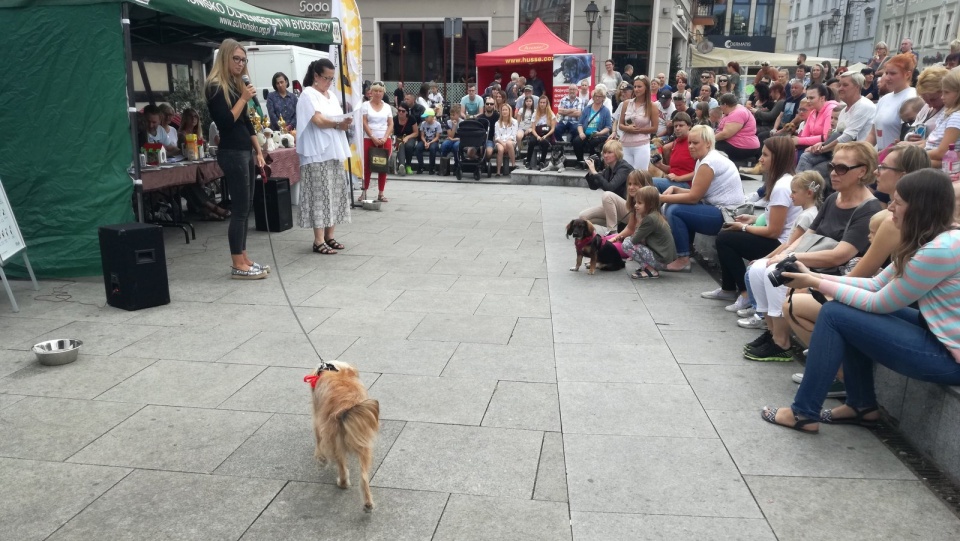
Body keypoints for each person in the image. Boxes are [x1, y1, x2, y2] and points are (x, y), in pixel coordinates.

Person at [761, 169, 960, 434]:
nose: (890, 208)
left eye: (898, 203)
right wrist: (811, 276)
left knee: (834, 313)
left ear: (920, 208)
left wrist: (815, 283)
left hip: (948, 357)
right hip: (939, 335)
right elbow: (877, 284)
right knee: (843, 309)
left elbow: (879, 303)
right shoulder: (936, 239)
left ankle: (803, 413)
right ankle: (861, 406)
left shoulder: (939, 251)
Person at [785, 145, 931, 387]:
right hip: (905, 307)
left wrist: (815, 283)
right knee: (805, 294)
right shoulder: (903, 215)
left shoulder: (890, 220)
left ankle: (842, 379)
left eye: (885, 167)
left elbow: (868, 281)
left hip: (902, 311)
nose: (878, 172)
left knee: (800, 305)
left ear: (904, 176)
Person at [743, 142, 884, 361]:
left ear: (862, 171)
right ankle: (774, 333)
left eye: (842, 168)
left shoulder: (869, 208)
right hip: (815, 259)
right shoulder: (832, 199)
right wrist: (778, 255)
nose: (834, 173)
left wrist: (791, 256)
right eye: (832, 166)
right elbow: (808, 234)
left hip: (834, 271)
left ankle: (783, 342)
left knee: (778, 274)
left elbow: (841, 255)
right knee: (759, 268)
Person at [204, 39, 268, 279]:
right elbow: (225, 122)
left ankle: (243, 256)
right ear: (225, 58)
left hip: (245, 151)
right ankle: (236, 263)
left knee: (246, 205)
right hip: (231, 152)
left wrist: (259, 151)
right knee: (240, 209)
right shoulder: (215, 86)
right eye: (237, 59)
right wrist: (243, 97)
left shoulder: (235, 85)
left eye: (244, 60)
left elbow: (247, 122)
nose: (241, 64)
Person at [713, 137, 800, 310]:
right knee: (727, 236)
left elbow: (774, 231)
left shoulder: (782, 187)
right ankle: (728, 288)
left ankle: (745, 294)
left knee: (725, 239)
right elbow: (777, 218)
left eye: (765, 155)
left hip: (780, 245)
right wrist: (752, 220)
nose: (760, 159)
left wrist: (744, 227)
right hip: (780, 240)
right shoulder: (783, 181)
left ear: (778, 158)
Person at [735, 171, 826, 329]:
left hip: (792, 258)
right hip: (788, 253)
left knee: (756, 272)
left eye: (794, 192)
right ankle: (762, 312)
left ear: (809, 193)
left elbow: (791, 244)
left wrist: (767, 258)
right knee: (755, 269)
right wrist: (766, 257)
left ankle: (761, 314)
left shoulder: (807, 216)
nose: (791, 196)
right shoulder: (808, 213)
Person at [660, 125, 745, 272]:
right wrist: (674, 189)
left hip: (728, 215)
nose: (691, 146)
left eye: (695, 143)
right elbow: (695, 192)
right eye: (689, 143)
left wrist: (659, 197)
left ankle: (683, 258)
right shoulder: (704, 159)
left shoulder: (708, 162)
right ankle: (683, 251)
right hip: (719, 210)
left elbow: (693, 197)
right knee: (672, 206)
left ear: (708, 143)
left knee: (674, 210)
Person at [295, 57, 353, 257]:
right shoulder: (308, 94)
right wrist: (338, 124)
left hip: (333, 150)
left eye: (331, 78)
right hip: (316, 152)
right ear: (316, 76)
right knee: (319, 195)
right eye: (326, 78)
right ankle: (318, 239)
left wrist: (345, 122)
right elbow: (318, 120)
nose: (329, 82)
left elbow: (335, 118)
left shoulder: (331, 95)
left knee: (335, 192)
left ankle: (330, 235)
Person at [797, 72, 877, 179]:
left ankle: (805, 189)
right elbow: (834, 134)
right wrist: (821, 144)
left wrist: (823, 148)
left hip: (857, 156)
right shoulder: (844, 110)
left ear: (857, 87)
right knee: (806, 157)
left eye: (845, 85)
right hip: (840, 152)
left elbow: (847, 136)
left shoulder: (864, 106)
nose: (840, 89)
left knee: (815, 170)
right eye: (839, 85)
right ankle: (801, 189)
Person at [177, 108, 230, 221]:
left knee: (193, 183)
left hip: (197, 164)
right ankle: (212, 208)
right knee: (190, 183)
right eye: (191, 116)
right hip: (184, 166)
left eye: (196, 117)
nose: (194, 119)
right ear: (185, 118)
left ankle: (208, 211)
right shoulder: (182, 134)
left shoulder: (197, 134)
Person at [579, 139, 635, 232]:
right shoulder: (608, 169)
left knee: (607, 195)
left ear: (617, 153)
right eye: (604, 152)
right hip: (616, 209)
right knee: (583, 217)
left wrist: (595, 172)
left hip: (630, 210)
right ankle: (618, 226)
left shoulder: (625, 168)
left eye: (609, 152)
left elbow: (610, 187)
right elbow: (593, 187)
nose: (605, 155)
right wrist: (590, 172)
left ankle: (612, 231)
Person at [623, 185, 676, 279]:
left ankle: (650, 270)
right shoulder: (655, 215)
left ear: (650, 205)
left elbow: (635, 240)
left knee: (627, 243)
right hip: (662, 258)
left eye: (639, 203)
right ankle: (649, 267)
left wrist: (639, 219)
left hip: (660, 260)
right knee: (629, 240)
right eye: (636, 202)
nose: (635, 205)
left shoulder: (650, 219)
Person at [869, 53, 918, 150]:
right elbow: (873, 134)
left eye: (893, 73)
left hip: (898, 157)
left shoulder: (912, 97)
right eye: (886, 73)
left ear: (907, 74)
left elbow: (908, 137)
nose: (887, 77)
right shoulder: (884, 98)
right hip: (881, 156)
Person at [360, 82, 393, 203]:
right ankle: (364, 192)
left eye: (380, 91)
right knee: (367, 166)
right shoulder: (365, 105)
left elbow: (390, 123)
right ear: (371, 92)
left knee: (382, 166)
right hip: (369, 138)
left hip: (384, 137)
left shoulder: (387, 107)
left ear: (383, 93)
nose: (378, 93)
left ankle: (381, 193)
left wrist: (385, 137)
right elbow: (364, 122)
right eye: (375, 91)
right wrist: (372, 136)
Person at [618, 76, 657, 171]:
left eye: (639, 87)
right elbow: (620, 124)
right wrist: (628, 128)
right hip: (625, 144)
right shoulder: (626, 103)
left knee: (640, 175)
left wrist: (639, 130)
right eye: (635, 87)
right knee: (625, 175)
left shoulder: (652, 106)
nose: (636, 89)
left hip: (641, 145)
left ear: (646, 88)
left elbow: (655, 128)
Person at [924, 66, 960, 169]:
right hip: (933, 158)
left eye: (946, 92)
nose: (942, 96)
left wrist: (915, 155)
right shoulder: (947, 114)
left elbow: (942, 152)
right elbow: (931, 142)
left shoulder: (957, 117)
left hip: (941, 167)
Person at [653, 113, 697, 192]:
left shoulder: (694, 143)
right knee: (641, 178)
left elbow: (699, 172)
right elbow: (673, 170)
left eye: (681, 125)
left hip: (687, 185)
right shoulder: (676, 143)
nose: (677, 128)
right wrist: (660, 165)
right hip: (673, 181)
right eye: (675, 126)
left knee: (650, 182)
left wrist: (678, 178)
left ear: (689, 126)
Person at [573, 88, 614, 168]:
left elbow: (608, 127)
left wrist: (599, 133)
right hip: (586, 133)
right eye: (596, 96)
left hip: (600, 134)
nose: (597, 98)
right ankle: (580, 161)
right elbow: (580, 124)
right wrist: (581, 133)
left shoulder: (606, 111)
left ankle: (592, 163)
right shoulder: (587, 109)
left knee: (594, 142)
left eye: (600, 96)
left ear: (603, 98)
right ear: (593, 97)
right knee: (577, 141)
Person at [714, 93, 761, 162]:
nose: (720, 107)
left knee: (709, 148)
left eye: (720, 105)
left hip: (743, 146)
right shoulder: (735, 109)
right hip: (737, 144)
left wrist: (709, 139)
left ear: (725, 105)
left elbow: (726, 134)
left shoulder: (738, 113)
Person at [524, 95, 555, 170]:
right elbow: (533, 129)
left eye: (544, 102)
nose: (542, 104)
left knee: (544, 142)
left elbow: (553, 129)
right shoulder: (535, 114)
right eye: (541, 102)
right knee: (531, 141)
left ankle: (542, 162)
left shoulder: (551, 114)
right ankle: (528, 161)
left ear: (547, 104)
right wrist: (537, 136)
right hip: (537, 133)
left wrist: (546, 135)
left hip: (546, 133)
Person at [393, 102, 419, 175]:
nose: (400, 112)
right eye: (399, 110)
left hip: (410, 136)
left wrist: (407, 137)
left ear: (407, 112)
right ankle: (402, 166)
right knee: (400, 145)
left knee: (409, 146)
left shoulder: (412, 119)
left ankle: (408, 165)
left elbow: (416, 133)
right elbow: (392, 132)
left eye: (403, 111)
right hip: (398, 137)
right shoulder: (394, 119)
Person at [494, 103, 519, 176]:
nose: (504, 112)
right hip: (500, 142)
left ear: (509, 111)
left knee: (509, 144)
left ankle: (513, 165)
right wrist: (503, 143)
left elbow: (513, 135)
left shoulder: (514, 122)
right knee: (500, 149)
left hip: (511, 142)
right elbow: (497, 137)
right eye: (503, 110)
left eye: (506, 110)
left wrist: (507, 142)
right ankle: (498, 171)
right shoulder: (497, 123)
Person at [416, 108, 442, 174]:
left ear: (432, 117)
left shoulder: (437, 124)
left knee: (432, 148)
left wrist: (430, 143)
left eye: (427, 117)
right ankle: (421, 165)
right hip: (425, 140)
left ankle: (432, 167)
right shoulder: (423, 124)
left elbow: (437, 137)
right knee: (418, 147)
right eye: (425, 117)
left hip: (434, 141)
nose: (425, 118)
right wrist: (425, 142)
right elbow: (422, 135)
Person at [440, 104, 462, 172]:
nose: (451, 117)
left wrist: (454, 139)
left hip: (459, 140)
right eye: (451, 115)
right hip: (451, 139)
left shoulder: (462, 123)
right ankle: (444, 167)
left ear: (458, 115)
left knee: (456, 146)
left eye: (453, 115)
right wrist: (454, 126)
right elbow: (451, 136)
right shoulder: (448, 122)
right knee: (444, 145)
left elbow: (463, 137)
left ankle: (456, 166)